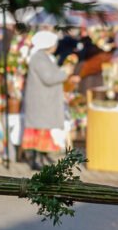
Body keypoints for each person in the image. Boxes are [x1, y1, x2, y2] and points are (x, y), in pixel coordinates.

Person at [21, 31, 76, 170]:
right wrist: (65, 72)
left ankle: (42, 156)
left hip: (43, 101)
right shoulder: (39, 58)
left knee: (43, 131)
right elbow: (49, 77)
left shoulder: (44, 57)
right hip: (40, 102)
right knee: (39, 131)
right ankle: (36, 160)